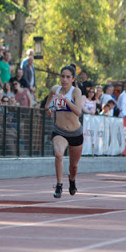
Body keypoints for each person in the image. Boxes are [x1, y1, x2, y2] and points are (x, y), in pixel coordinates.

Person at [45, 65, 83, 198]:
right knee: (59, 154)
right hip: (59, 131)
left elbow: (78, 111)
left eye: (68, 77)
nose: (64, 79)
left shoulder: (76, 92)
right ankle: (59, 185)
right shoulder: (55, 89)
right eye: (62, 76)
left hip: (75, 133)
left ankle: (72, 181)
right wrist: (48, 108)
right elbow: (47, 103)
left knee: (74, 166)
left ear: (73, 79)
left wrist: (65, 100)